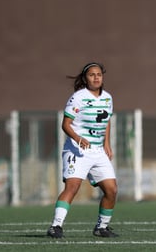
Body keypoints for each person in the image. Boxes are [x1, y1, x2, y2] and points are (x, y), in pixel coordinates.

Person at [47, 62, 118, 238]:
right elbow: (66, 124)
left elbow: (106, 121)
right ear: (85, 78)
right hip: (76, 150)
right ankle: (56, 226)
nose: (96, 77)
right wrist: (78, 139)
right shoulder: (78, 97)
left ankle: (101, 227)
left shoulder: (107, 98)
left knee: (112, 189)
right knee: (72, 187)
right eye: (92, 75)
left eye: (99, 74)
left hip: (97, 151)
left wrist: (106, 144)